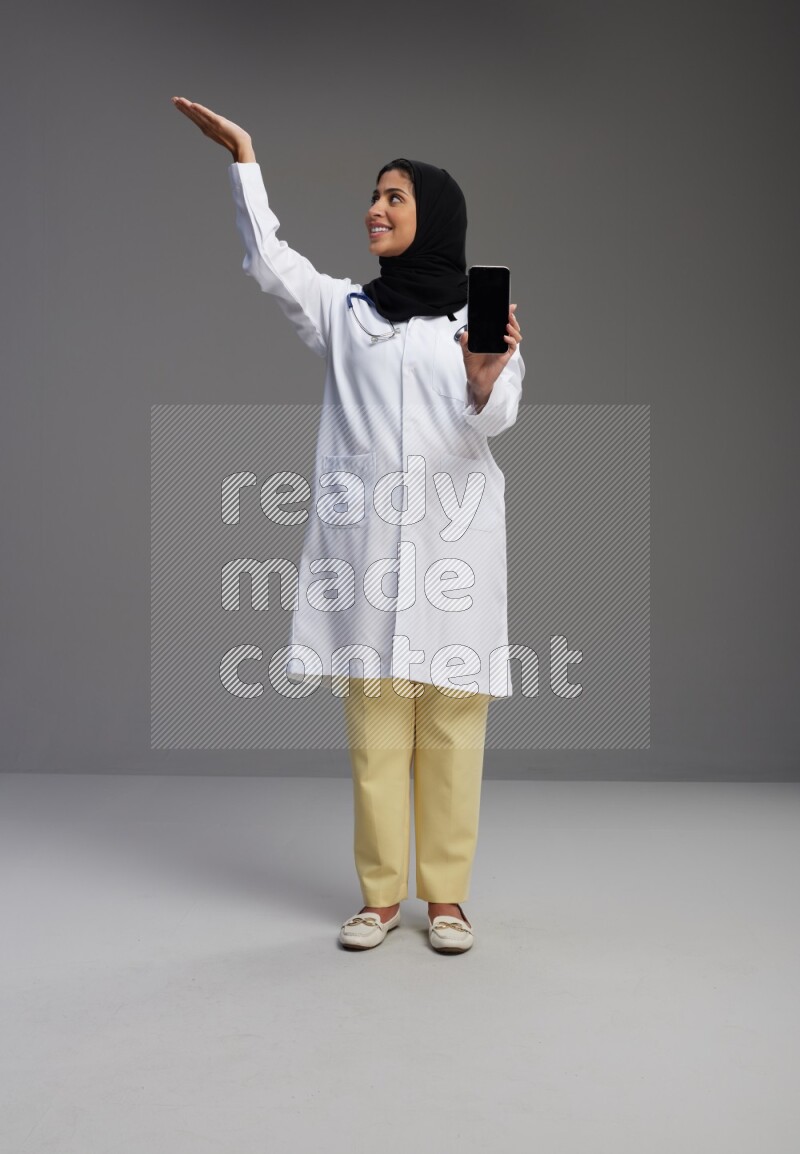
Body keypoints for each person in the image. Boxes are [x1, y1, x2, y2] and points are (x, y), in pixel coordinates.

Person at [171, 96, 524, 953]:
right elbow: (269, 261)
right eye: (374, 194)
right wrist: (245, 160)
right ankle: (377, 897)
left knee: (449, 729)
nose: (376, 206)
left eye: (396, 197)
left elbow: (500, 418)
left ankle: (445, 901)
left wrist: (483, 377)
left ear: (431, 217)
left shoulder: (474, 324)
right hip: (365, 553)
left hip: (451, 553)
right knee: (374, 732)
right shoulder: (345, 313)